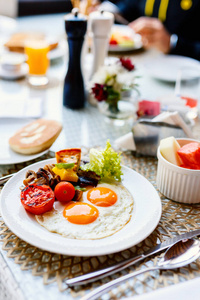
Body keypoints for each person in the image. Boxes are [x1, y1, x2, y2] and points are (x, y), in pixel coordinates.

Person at [97, 0, 200, 60]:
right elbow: (133, 6)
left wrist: (172, 43)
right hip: (145, 62)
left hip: (186, 71)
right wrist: (113, 11)